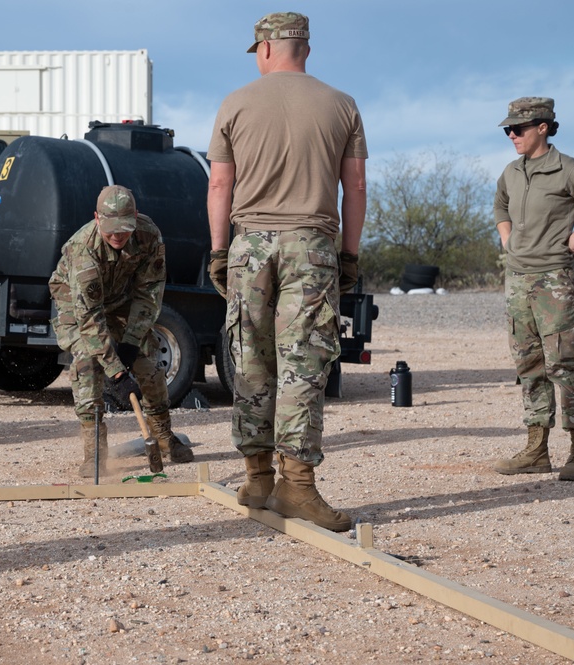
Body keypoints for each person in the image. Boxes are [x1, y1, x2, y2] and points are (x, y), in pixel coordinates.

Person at [206, 12, 367, 532]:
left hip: (249, 245)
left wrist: (218, 252)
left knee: (250, 359)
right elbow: (356, 189)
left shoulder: (234, 104)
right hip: (312, 243)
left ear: (267, 48)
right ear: (306, 50)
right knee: (302, 363)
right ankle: (296, 486)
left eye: (256, 50)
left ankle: (257, 479)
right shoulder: (342, 105)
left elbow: (218, 187)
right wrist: (348, 255)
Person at [492, 97, 574, 481]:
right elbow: (500, 205)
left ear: (543, 127)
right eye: (508, 130)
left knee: (564, 364)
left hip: (556, 281)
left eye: (518, 128)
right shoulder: (512, 171)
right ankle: (536, 451)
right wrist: (507, 239)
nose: (512, 135)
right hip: (518, 281)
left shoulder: (567, 169)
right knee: (529, 365)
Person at [49, 185, 195, 477]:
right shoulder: (83, 251)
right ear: (97, 218)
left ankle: (163, 436)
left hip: (122, 301)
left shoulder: (148, 235)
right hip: (76, 305)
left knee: (148, 364)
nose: (117, 236)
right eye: (111, 230)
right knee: (87, 364)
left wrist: (129, 344)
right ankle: (95, 453)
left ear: (136, 217)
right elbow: (89, 318)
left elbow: (149, 295)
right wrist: (116, 372)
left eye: (124, 229)